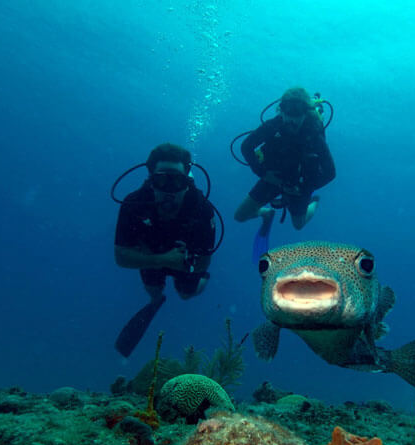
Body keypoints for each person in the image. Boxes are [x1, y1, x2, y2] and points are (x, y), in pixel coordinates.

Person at [113, 143, 215, 356]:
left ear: (187, 183)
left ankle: (205, 280)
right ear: (151, 181)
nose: (169, 190)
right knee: (154, 291)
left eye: (177, 181)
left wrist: (191, 264)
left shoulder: (201, 208)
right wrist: (162, 259)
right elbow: (120, 257)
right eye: (161, 180)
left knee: (186, 294)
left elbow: (206, 258)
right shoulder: (134, 204)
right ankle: (157, 300)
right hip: (152, 257)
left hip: (185, 262)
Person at [234, 87, 336, 232]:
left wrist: (303, 188)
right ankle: (266, 213)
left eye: (297, 111)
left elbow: (330, 173)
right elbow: (246, 146)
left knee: (298, 225)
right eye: (286, 110)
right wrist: (263, 173)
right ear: (281, 110)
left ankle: (314, 202)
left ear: (306, 112)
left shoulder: (314, 135)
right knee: (240, 216)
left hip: (300, 183)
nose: (291, 118)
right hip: (275, 178)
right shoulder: (273, 125)